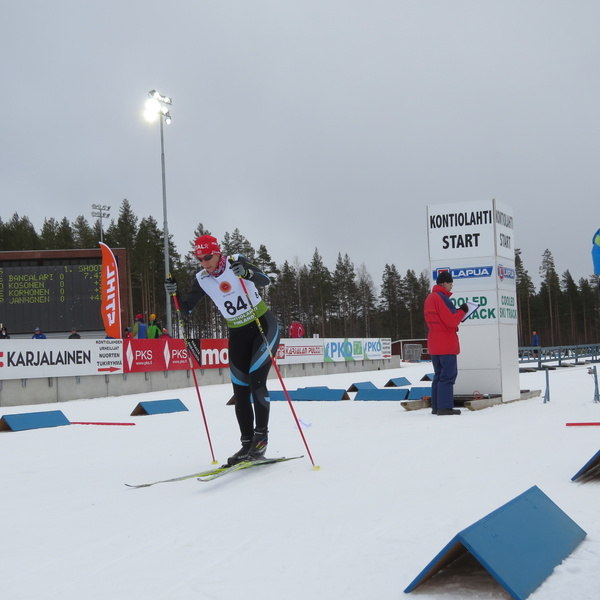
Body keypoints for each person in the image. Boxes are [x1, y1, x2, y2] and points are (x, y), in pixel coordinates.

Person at [165, 234, 280, 464]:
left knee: (257, 381)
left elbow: (265, 280)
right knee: (240, 391)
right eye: (200, 259)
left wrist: (246, 273)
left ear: (218, 253)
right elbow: (186, 309)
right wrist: (173, 293)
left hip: (262, 327)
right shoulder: (202, 279)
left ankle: (260, 440)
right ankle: (246, 444)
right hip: (237, 333)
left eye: (208, 257)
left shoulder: (236, 261)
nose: (204, 263)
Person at [423, 271, 468, 416]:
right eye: (450, 283)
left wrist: (457, 313)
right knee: (448, 376)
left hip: (434, 343)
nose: (451, 286)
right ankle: (445, 407)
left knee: (438, 376)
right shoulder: (442, 298)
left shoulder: (430, 298)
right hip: (446, 344)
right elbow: (451, 320)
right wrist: (463, 311)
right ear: (444, 283)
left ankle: (436, 407)